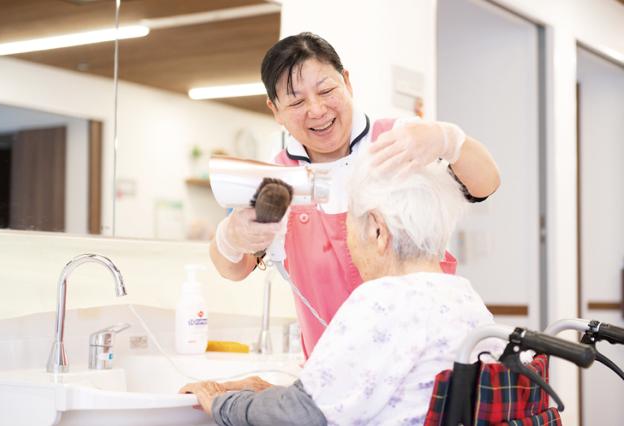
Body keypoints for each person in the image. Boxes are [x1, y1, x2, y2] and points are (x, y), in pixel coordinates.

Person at [210, 32, 500, 358]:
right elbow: (233, 268)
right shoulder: (279, 178)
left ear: (347, 82)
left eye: (326, 90)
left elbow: (485, 184)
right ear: (275, 110)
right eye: (296, 102)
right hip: (337, 377)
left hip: (425, 360)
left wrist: (450, 141)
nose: (317, 110)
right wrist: (230, 238)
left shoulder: (396, 140)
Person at [182, 146, 495, 425]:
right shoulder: (467, 300)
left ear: (376, 231)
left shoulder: (380, 301)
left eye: (349, 225)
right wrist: (274, 395)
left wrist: (221, 403)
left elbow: (299, 416)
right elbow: (376, 399)